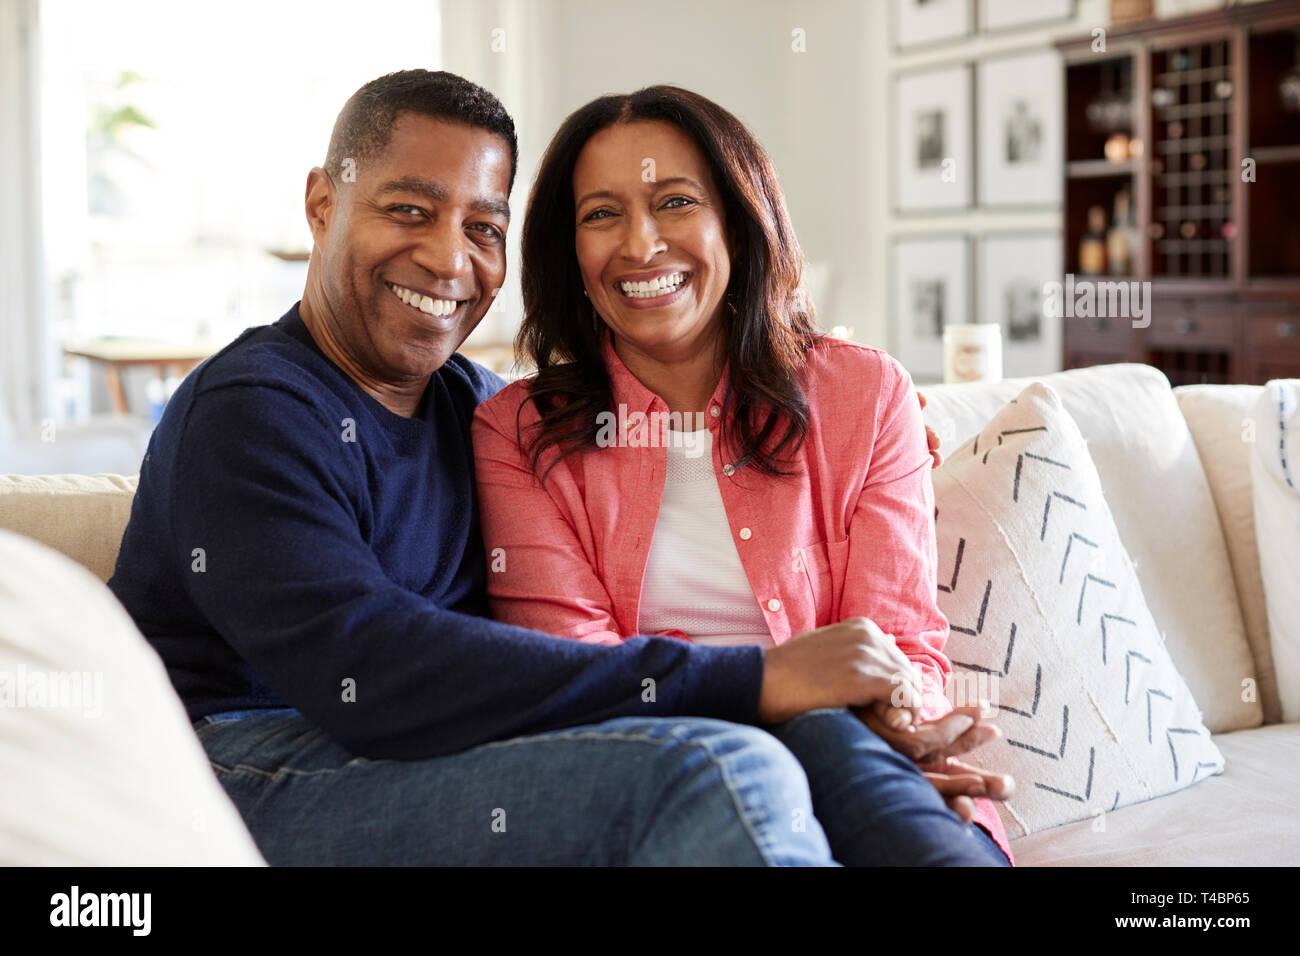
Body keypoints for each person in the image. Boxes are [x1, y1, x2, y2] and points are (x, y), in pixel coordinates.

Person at [106, 69, 999, 866]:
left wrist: (855, 410)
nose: (449, 258)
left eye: (481, 226)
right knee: (716, 769)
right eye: (409, 210)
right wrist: (757, 678)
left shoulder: (476, 406)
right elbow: (369, 670)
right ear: (321, 204)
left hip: (419, 749)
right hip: (243, 769)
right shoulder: (251, 411)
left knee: (813, 754)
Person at [471, 85, 1015, 865]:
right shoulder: (517, 433)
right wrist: (773, 685)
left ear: (738, 215)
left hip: (857, 746)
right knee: (808, 746)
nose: (641, 243)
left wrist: (907, 736)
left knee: (850, 760)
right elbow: (577, 673)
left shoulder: (863, 394)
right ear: (569, 251)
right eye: (601, 214)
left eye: (675, 201)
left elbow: (895, 637)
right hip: (671, 768)